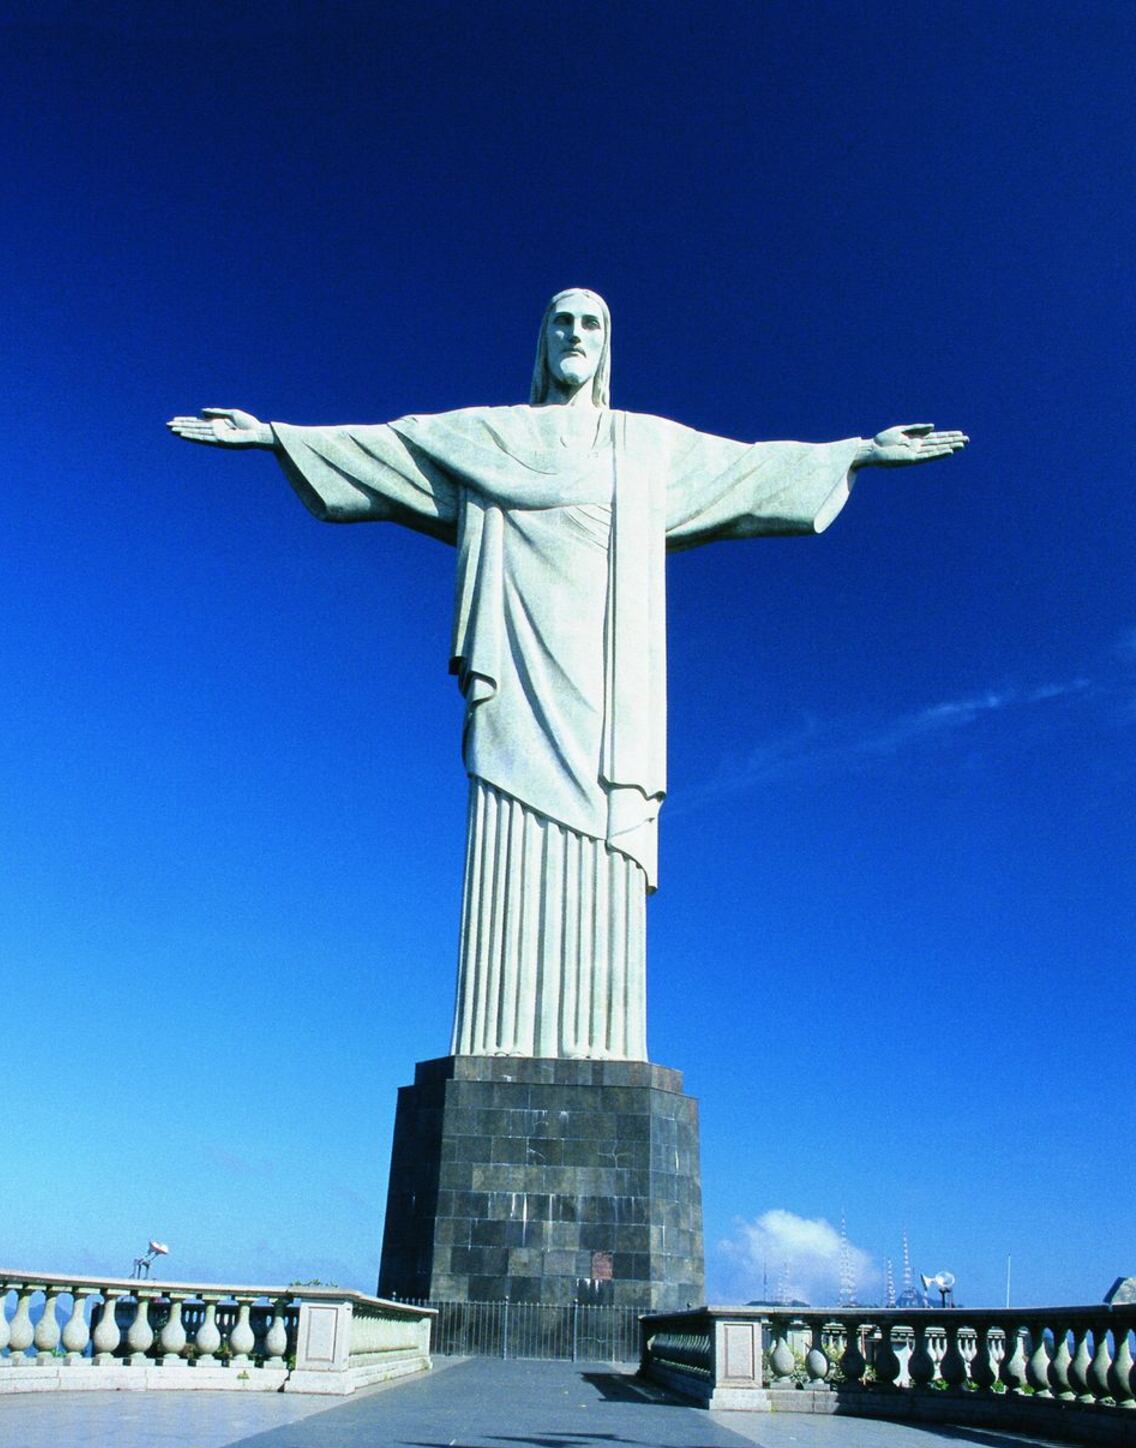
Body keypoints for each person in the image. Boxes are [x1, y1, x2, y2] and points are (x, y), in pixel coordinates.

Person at [169, 288, 966, 1062]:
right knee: (509, 824)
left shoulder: (645, 444)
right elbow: (387, 447)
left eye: (592, 323)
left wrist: (859, 451)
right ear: (542, 341)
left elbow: (751, 471)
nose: (576, 334)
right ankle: (495, 1037)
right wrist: (275, 435)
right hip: (516, 658)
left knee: (603, 828)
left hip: (609, 675)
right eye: (562, 322)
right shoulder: (488, 435)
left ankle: (605, 1042)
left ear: (606, 344)